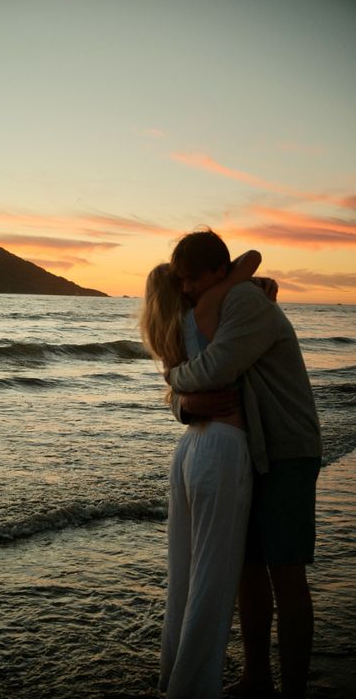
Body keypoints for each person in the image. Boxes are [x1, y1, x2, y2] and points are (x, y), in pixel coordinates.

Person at [167, 230, 322, 699]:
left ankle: (293, 690)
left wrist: (174, 382)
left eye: (194, 278)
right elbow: (197, 391)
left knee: (285, 569)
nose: (187, 288)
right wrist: (183, 404)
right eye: (182, 280)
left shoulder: (247, 303)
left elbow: (216, 368)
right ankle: (258, 677)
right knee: (247, 568)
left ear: (219, 270)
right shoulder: (219, 301)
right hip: (244, 450)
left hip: (285, 450)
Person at [141, 247, 267, 698]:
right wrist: (244, 281)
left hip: (189, 450)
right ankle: (192, 689)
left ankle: (173, 674)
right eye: (185, 282)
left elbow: (177, 388)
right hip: (222, 448)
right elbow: (249, 258)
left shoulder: (168, 332)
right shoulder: (207, 311)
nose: (193, 287)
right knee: (213, 581)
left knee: (183, 576)